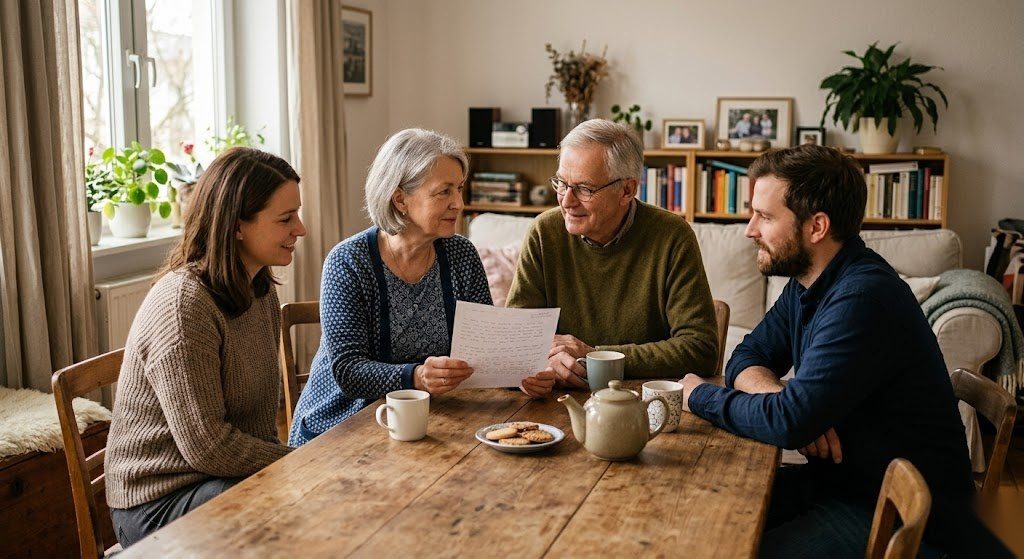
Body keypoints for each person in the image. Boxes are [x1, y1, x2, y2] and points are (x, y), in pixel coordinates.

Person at [679, 145, 1011, 558]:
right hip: (841, 486)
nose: (749, 229)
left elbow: (789, 421)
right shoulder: (808, 281)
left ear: (816, 226)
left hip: (902, 522)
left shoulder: (862, 299)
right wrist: (783, 404)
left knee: (727, 549)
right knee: (701, 518)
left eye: (764, 216)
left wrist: (696, 395)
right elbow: (747, 357)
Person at [289, 129, 555, 446]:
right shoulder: (348, 262)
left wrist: (521, 377)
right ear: (400, 198)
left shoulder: (461, 255)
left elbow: (483, 354)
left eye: (459, 189)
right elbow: (348, 371)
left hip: (427, 424)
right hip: (342, 428)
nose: (459, 203)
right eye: (443, 192)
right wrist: (417, 377)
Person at [105, 148, 306, 547]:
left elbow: (260, 424)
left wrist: (296, 466)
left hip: (220, 479)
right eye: (285, 219)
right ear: (236, 226)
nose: (300, 229)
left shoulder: (259, 290)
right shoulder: (185, 307)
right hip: (157, 503)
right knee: (298, 516)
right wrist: (301, 462)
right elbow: (208, 447)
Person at [507, 119, 718, 387]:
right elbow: (514, 343)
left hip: (643, 400)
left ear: (627, 190)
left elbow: (701, 349)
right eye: (561, 183)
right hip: (558, 399)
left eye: (584, 188)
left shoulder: (672, 235)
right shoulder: (543, 232)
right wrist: (540, 364)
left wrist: (596, 357)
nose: (566, 200)